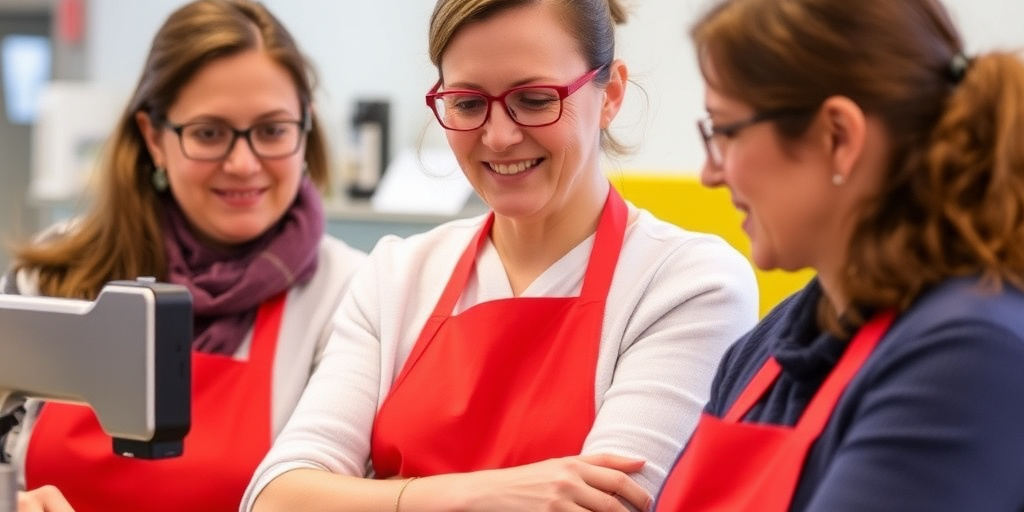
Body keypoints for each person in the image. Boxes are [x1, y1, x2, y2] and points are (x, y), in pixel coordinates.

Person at [241, 1, 759, 511]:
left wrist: (377, 496)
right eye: (467, 103)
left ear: (611, 94)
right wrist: (479, 493)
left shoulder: (687, 284)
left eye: (534, 99)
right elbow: (275, 496)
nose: (500, 136)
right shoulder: (398, 274)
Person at [654, 0, 1024, 510]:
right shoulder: (766, 351)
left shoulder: (969, 358)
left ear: (839, 136)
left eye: (725, 132)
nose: (710, 174)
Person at [0, 1, 366, 510]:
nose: (243, 163)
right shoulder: (55, 275)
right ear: (153, 138)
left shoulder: (350, 294)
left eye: (272, 130)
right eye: (209, 133)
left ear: (305, 131)